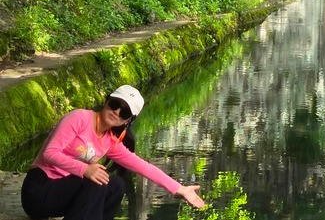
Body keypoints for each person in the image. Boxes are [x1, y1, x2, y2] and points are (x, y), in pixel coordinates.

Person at [20, 85, 207, 220]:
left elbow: (143, 167)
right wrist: (85, 170)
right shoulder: (79, 118)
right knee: (96, 179)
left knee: (116, 184)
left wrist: (179, 189)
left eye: (124, 112)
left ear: (127, 121)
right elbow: (50, 153)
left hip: (65, 194)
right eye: (115, 104)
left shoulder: (110, 141)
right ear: (106, 101)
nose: (116, 111)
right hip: (39, 191)